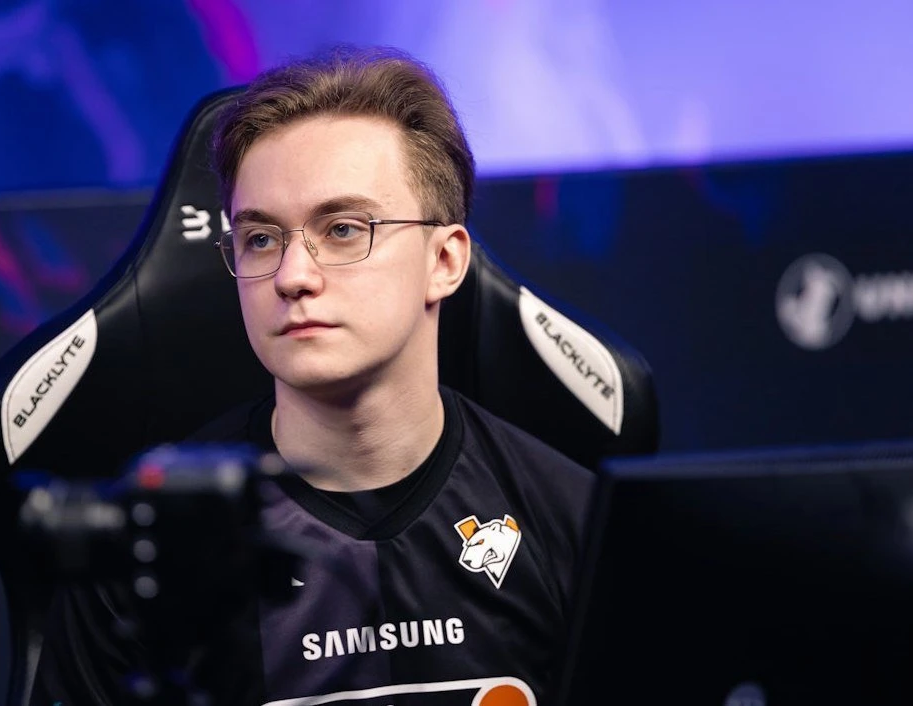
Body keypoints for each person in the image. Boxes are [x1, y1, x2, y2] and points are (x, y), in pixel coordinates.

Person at [32, 46, 594, 706]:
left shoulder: (573, 523)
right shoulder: (149, 554)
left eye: (343, 229)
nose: (293, 276)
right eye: (261, 239)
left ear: (443, 261)